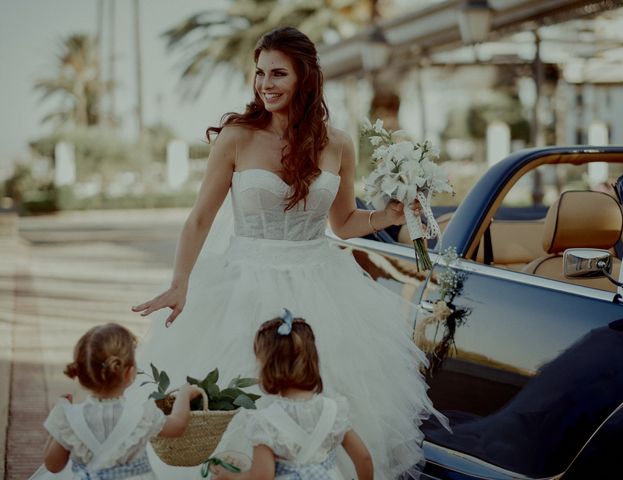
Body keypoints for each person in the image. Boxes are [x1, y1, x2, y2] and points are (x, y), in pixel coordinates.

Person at [131, 26, 448, 479]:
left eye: (278, 73)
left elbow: (343, 223)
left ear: (306, 77)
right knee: (235, 400)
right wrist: (180, 283)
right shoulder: (237, 136)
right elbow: (200, 218)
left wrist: (387, 216)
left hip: (322, 286)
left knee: (336, 398)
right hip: (241, 286)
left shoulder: (337, 143)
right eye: (260, 73)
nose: (266, 84)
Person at [210, 310, 373, 480]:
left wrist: (230, 477)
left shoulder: (266, 422)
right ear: (312, 362)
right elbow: (364, 458)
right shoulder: (334, 411)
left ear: (268, 367)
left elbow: (262, 476)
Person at [30, 323, 202, 479]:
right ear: (129, 373)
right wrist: (184, 395)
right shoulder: (143, 415)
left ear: (81, 375)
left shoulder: (69, 417)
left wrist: (58, 420)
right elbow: (178, 425)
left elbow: (53, 465)